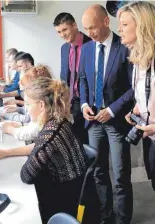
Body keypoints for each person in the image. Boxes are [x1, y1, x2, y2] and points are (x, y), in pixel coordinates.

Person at [117, 2, 155, 223]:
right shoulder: (138, 61)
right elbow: (143, 95)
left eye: (124, 24)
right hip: (151, 138)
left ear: (142, 26)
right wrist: (135, 110)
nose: (119, 29)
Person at [80, 4, 133, 224]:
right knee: (98, 173)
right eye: (86, 28)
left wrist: (112, 110)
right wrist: (84, 104)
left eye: (92, 27)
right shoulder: (87, 48)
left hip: (116, 121)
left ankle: (122, 220)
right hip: (94, 123)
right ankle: (106, 218)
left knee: (120, 175)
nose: (89, 33)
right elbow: (83, 80)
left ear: (105, 22)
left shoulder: (125, 47)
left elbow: (134, 88)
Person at [20, 77, 87, 224]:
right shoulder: (58, 121)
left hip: (64, 200)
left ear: (42, 105)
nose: (27, 109)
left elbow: (26, 175)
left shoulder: (50, 134)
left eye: (28, 104)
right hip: (73, 190)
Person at [0, 65, 52, 159]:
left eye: (28, 104)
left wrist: (11, 130)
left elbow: (31, 135)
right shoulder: (47, 112)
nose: (28, 109)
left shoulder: (50, 124)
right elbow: (37, 142)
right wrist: (22, 125)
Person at [53, 12, 91, 143]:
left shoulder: (91, 44)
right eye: (58, 32)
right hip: (71, 101)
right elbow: (64, 75)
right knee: (74, 139)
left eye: (65, 29)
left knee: (87, 140)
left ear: (74, 25)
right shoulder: (64, 48)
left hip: (88, 100)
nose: (62, 35)